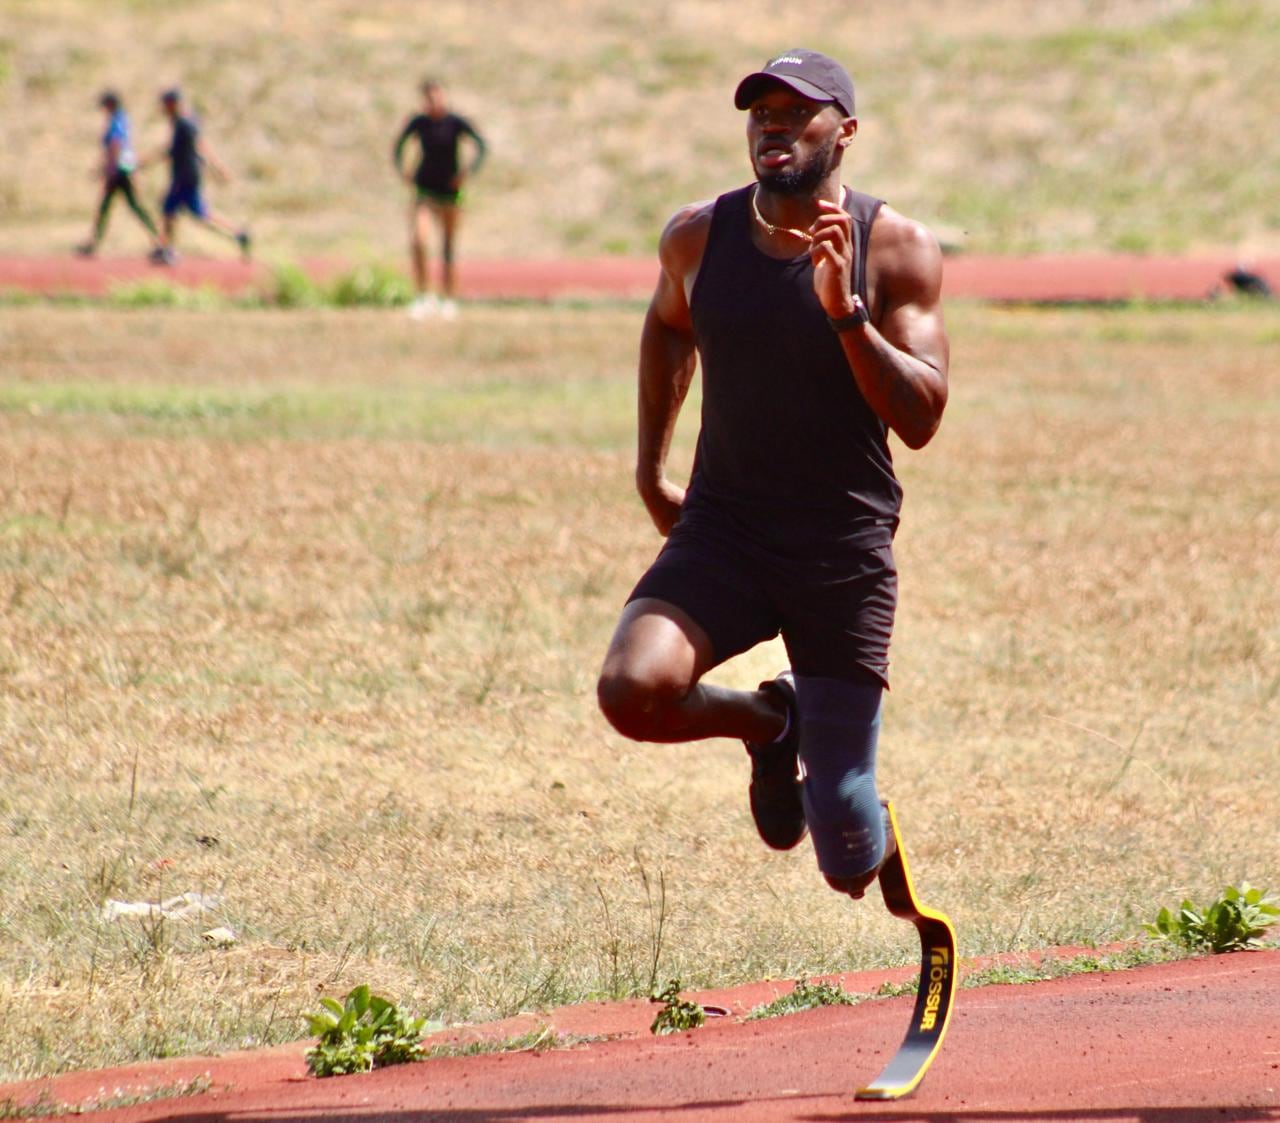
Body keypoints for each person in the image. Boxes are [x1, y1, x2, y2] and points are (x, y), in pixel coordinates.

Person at [597, 50, 949, 901]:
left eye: (799, 112)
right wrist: (650, 470)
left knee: (846, 856)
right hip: (728, 528)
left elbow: (924, 415)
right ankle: (770, 719)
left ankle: (841, 800)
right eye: (761, 112)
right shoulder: (697, 236)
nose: (774, 126)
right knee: (633, 691)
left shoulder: (895, 246)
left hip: (840, 548)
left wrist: (847, 317)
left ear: (846, 133)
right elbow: (668, 327)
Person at [393, 79, 487, 320]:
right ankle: (423, 296)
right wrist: (403, 171)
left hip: (449, 191)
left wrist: (467, 172)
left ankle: (449, 298)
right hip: (425, 189)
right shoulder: (420, 123)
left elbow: (481, 145)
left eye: (437, 96)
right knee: (419, 240)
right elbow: (398, 146)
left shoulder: (455, 122)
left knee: (447, 246)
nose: (434, 101)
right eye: (429, 97)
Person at [142, 88, 251, 262]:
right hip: (186, 175)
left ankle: (167, 250)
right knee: (194, 214)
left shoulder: (184, 124)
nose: (163, 108)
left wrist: (218, 168)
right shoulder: (181, 122)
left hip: (185, 176)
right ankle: (238, 233)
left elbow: (199, 146)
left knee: (170, 211)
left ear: (172, 104)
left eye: (165, 104)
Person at [75, 91, 167, 259]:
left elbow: (116, 145)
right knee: (120, 207)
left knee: (124, 207)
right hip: (122, 168)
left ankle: (160, 241)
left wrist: (108, 168)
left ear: (110, 104)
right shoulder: (121, 119)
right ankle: (159, 241)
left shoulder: (117, 121)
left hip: (119, 170)